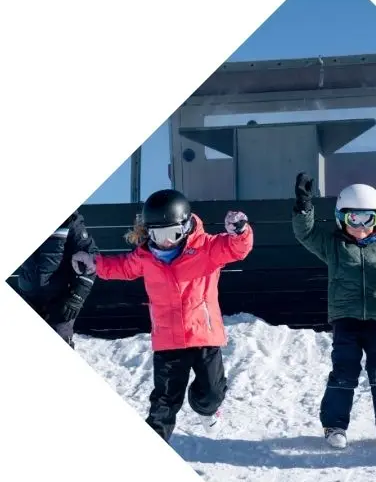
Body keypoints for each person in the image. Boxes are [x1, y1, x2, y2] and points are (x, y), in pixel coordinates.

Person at [71, 189, 253, 443]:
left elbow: (236, 249)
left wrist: (241, 232)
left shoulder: (207, 248)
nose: (165, 242)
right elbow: (123, 267)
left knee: (212, 393)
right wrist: (95, 263)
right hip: (168, 340)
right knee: (164, 402)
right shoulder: (146, 257)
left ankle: (206, 409)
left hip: (204, 334)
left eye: (172, 234)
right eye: (158, 234)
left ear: (186, 226)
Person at [292, 173, 376, 451]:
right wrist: (304, 206)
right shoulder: (333, 244)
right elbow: (305, 233)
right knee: (344, 369)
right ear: (342, 218)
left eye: (367, 219)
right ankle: (334, 425)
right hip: (345, 319)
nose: (360, 227)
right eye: (354, 219)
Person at [16, 211, 99, 348]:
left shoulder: (71, 221)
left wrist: (77, 297)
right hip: (28, 297)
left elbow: (90, 259)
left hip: (61, 303)